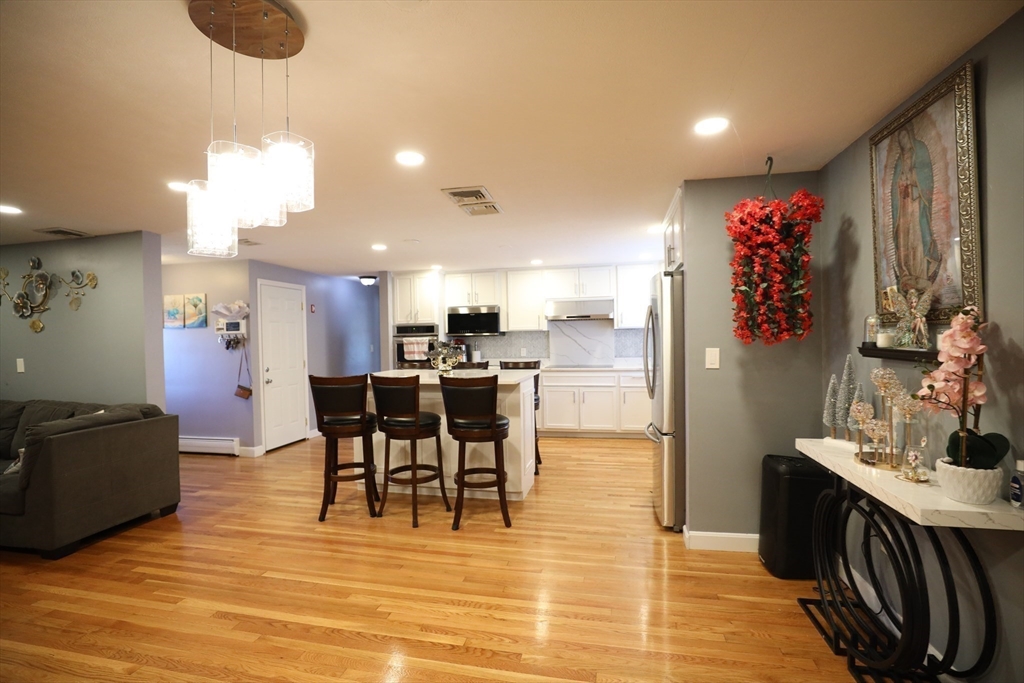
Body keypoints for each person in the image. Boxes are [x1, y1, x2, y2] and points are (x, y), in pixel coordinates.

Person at [891, 123, 941, 294]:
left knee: (917, 237)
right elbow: (895, 185)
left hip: (916, 203)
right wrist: (901, 183)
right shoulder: (899, 161)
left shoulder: (920, 151)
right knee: (904, 239)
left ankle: (920, 274)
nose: (902, 141)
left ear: (910, 135)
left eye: (904, 136)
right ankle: (906, 274)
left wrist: (911, 178)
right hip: (903, 205)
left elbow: (926, 177)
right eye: (900, 139)